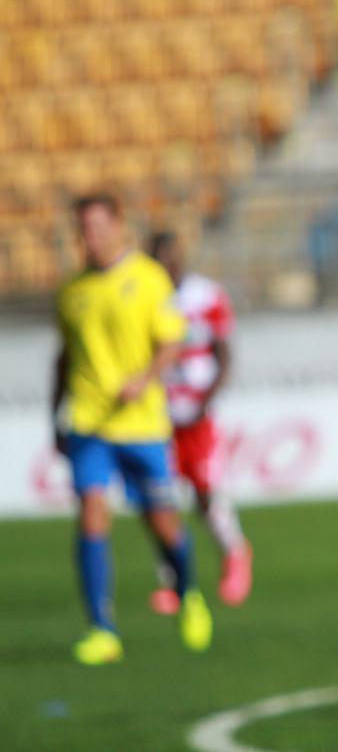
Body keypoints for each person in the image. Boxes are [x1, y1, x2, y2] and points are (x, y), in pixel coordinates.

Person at [53, 194, 212, 665]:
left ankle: (189, 592)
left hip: (141, 425)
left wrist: (143, 379)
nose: (90, 237)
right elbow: (63, 360)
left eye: (98, 227)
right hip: (89, 422)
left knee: (161, 522)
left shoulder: (146, 278)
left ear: (119, 226)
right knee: (91, 511)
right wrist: (54, 416)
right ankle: (102, 628)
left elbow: (171, 342)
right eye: (83, 229)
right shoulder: (72, 291)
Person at [147, 233, 253, 614]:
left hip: (198, 417)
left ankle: (235, 553)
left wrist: (207, 399)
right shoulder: (147, 298)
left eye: (170, 258)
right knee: (163, 500)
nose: (165, 266)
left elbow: (224, 354)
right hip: (158, 419)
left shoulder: (206, 296)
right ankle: (174, 583)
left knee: (207, 494)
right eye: (158, 259)